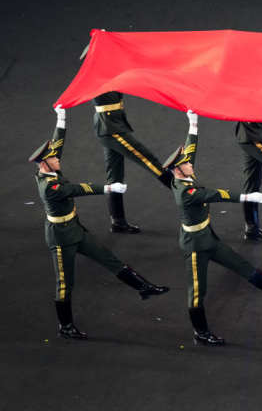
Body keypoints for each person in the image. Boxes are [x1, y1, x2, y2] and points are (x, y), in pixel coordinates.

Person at [30, 105, 169, 340]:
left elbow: (57, 143)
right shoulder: (49, 186)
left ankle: (143, 287)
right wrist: (108, 188)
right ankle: (65, 326)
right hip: (60, 237)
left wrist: (61, 119)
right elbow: (77, 189)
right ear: (45, 164)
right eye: (53, 158)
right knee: (65, 283)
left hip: (74, 228)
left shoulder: (50, 168)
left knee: (108, 258)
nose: (57, 158)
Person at [165, 111, 262, 346]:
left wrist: (193, 125)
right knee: (197, 291)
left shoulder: (183, 175)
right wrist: (247, 196)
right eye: (186, 164)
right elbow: (217, 195)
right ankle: (201, 332)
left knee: (241, 265)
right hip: (195, 245)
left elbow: (190, 150)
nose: (190, 164)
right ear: (178, 170)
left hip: (206, 237)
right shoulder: (186, 192)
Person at [92, 91, 173, 233]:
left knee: (115, 176)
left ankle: (118, 222)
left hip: (111, 125)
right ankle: (185, 192)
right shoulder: (96, 79)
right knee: (149, 161)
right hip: (110, 127)